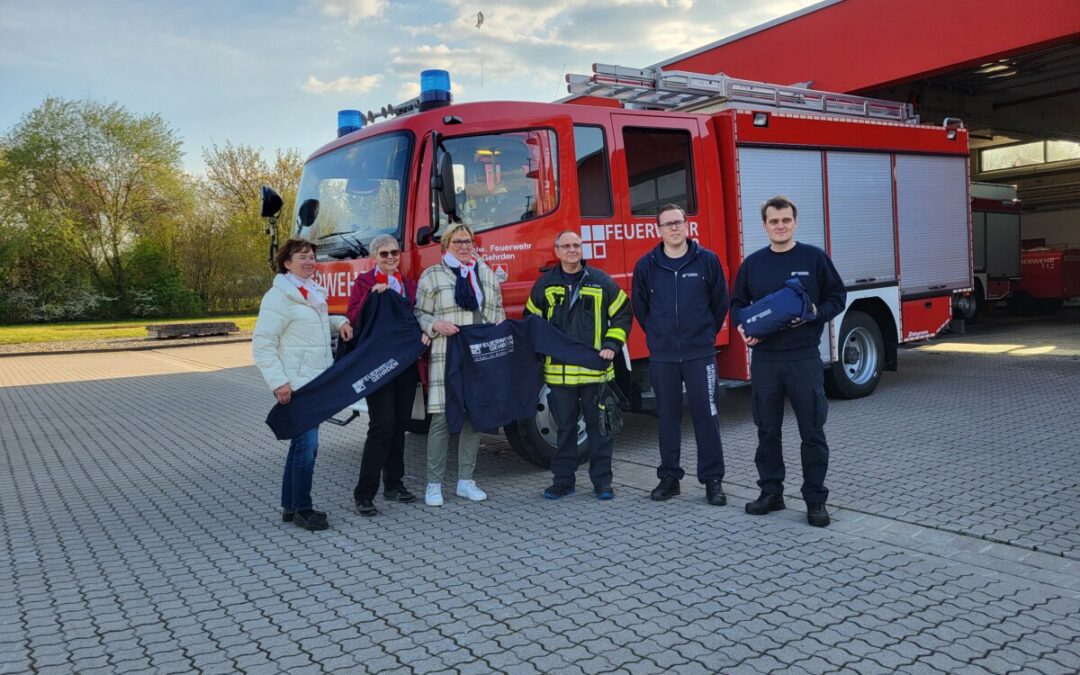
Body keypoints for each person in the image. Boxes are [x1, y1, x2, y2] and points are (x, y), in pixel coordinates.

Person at [731, 196, 847, 528]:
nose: (780, 226)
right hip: (766, 359)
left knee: (812, 432)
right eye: (773, 221)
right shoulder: (753, 264)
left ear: (794, 222)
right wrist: (743, 328)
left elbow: (837, 296)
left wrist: (816, 314)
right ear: (765, 225)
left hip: (804, 358)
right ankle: (771, 493)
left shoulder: (814, 258)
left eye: (785, 220)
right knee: (767, 430)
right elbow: (737, 302)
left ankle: (815, 500)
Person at [632, 204, 729, 506]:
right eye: (667, 224)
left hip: (700, 353)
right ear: (658, 229)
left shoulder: (707, 261)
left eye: (678, 222)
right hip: (663, 355)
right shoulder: (646, 265)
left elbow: (720, 303)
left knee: (707, 416)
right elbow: (640, 308)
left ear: (687, 225)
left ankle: (712, 480)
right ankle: (669, 478)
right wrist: (659, 336)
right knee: (668, 418)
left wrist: (703, 335)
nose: (673, 228)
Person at [253, 239, 353, 531]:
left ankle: (290, 505)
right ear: (287, 263)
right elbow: (263, 344)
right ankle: (303, 509)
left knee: (301, 446)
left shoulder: (311, 291)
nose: (309, 261)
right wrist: (279, 383)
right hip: (296, 385)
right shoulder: (279, 297)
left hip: (315, 382)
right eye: (302, 257)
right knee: (307, 447)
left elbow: (316, 323)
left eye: (312, 257)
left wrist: (341, 323)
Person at [526, 230, 632, 500]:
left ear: (581, 249)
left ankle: (602, 483)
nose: (572, 249)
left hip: (595, 373)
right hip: (559, 376)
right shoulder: (544, 285)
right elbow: (531, 322)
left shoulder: (601, 281)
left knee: (600, 429)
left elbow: (622, 314)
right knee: (565, 431)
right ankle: (563, 481)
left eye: (576, 245)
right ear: (557, 251)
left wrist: (611, 345)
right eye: (566, 246)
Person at [414, 223, 506, 507]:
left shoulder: (486, 274)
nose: (464, 246)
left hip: (479, 356)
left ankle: (466, 481)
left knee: (474, 418)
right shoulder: (432, 275)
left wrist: (499, 323)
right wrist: (435, 324)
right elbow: (419, 312)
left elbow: (498, 308)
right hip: (447, 352)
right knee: (442, 419)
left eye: (468, 241)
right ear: (446, 246)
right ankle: (434, 485)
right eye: (458, 242)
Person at [345, 235, 430, 517]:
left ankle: (394, 485)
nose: (391, 257)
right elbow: (355, 317)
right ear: (374, 257)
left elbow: (419, 315)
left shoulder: (408, 284)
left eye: (394, 252)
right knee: (381, 427)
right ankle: (364, 494)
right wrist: (372, 298)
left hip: (405, 365)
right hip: (377, 365)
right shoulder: (364, 283)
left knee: (399, 426)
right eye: (384, 254)